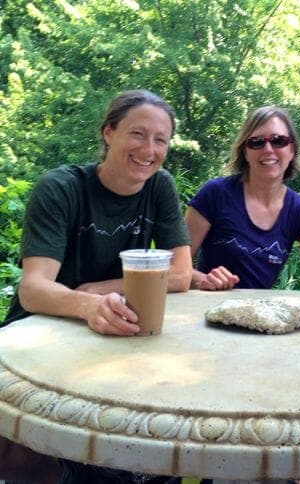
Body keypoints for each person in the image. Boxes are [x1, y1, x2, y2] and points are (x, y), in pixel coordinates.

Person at [1, 89, 192, 482]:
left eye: (161, 140)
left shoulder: (159, 187)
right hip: (41, 333)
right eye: (138, 134)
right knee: (30, 460)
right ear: (109, 133)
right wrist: (86, 306)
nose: (149, 149)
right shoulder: (62, 187)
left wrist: (99, 290)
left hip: (116, 330)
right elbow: (34, 289)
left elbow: (181, 273)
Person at [185, 105, 300, 292]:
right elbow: (174, 267)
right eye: (257, 142)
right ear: (245, 151)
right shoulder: (215, 194)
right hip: (206, 312)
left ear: (292, 149)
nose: (268, 149)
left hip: (260, 315)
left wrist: (293, 313)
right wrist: (203, 280)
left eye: (278, 141)